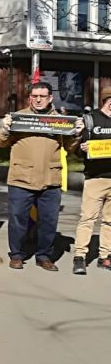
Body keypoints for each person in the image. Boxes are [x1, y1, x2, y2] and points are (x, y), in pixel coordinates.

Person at [0, 82, 83, 271]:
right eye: (34, 96)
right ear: (30, 98)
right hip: (21, 178)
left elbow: (70, 148)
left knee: (49, 221)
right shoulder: (19, 118)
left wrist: (76, 134)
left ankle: (44, 256)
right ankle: (16, 255)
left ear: (50, 98)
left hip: (50, 179)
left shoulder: (60, 121)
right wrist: (4, 129)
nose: (38, 99)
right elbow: (1, 143)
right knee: (18, 220)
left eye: (42, 96)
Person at [70, 86, 111, 274]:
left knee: (109, 221)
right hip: (95, 178)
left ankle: (105, 256)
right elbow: (77, 151)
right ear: (107, 101)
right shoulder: (90, 119)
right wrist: (82, 148)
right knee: (87, 219)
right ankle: (80, 256)